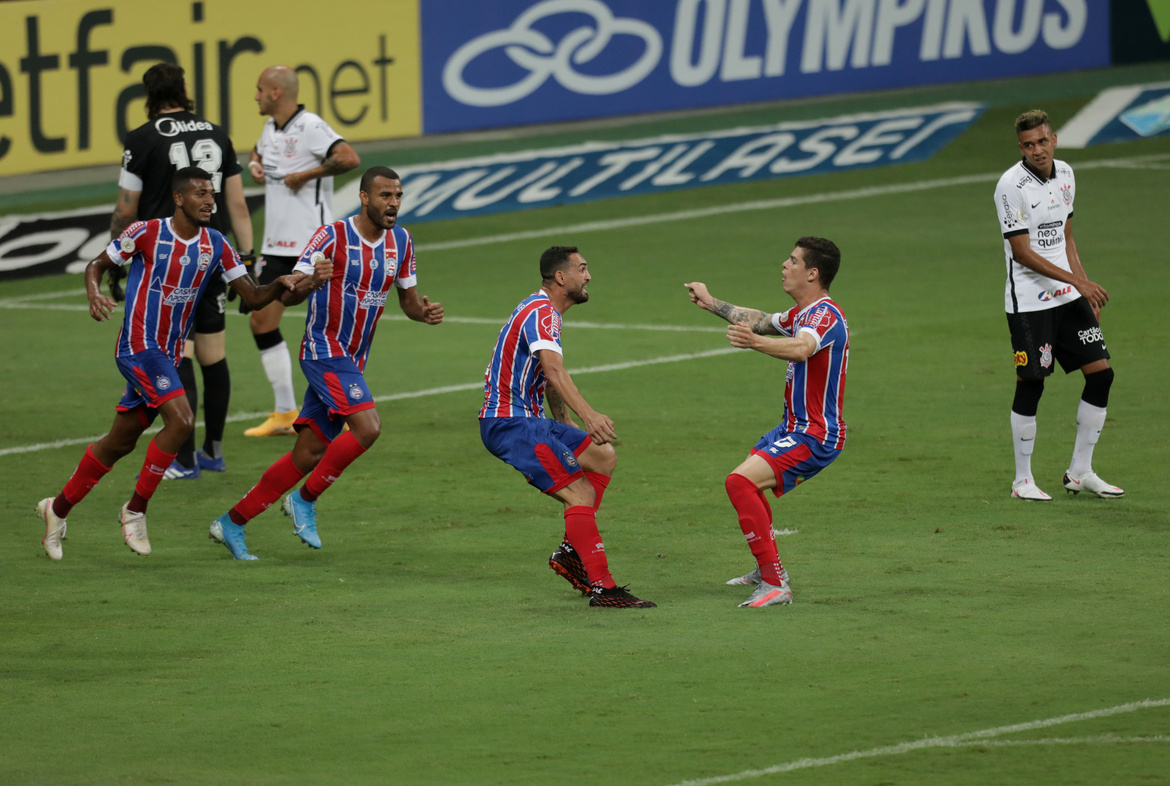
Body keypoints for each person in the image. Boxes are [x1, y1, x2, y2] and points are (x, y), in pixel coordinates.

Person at [35, 168, 331, 561]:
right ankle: (135, 510)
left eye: (212, 193)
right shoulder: (146, 232)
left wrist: (288, 283)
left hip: (169, 355)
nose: (210, 201)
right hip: (138, 347)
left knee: (119, 443)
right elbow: (96, 266)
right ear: (179, 198)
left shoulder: (217, 244)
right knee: (182, 420)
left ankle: (57, 510)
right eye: (200, 194)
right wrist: (94, 294)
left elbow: (255, 297)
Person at [208, 166, 442, 560]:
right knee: (367, 427)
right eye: (385, 196)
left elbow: (408, 302)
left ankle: (231, 523)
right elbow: (290, 294)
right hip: (323, 350)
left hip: (352, 359)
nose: (394, 203)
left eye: (398, 196)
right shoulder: (331, 236)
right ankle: (304, 499)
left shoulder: (401, 242)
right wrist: (314, 281)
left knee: (308, 454)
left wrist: (425, 313)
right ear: (365, 197)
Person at [479, 246, 656, 608]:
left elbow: (545, 372)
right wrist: (588, 415)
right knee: (580, 495)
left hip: (531, 419)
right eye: (582, 269)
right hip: (510, 422)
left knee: (602, 456)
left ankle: (571, 551)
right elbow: (555, 370)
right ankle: (603, 588)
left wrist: (563, 423)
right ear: (562, 277)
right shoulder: (542, 313)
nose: (588, 276)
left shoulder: (542, 311)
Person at [685, 237, 848, 608]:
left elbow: (803, 348)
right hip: (793, 427)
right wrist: (711, 302)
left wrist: (753, 344)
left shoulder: (825, 315)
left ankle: (776, 584)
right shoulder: (801, 314)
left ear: (812, 273)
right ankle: (768, 569)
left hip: (816, 434)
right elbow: (758, 320)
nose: (784, 266)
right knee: (748, 483)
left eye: (792, 261)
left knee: (739, 482)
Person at [110, 63, 254, 479]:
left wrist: (117, 264)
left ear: (148, 96)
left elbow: (125, 209)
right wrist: (245, 259)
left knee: (180, 353)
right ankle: (214, 451)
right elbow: (238, 204)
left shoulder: (140, 138)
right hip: (213, 253)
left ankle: (184, 458)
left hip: (167, 261)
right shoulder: (216, 132)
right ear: (184, 90)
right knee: (215, 354)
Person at [994, 109, 1122, 501]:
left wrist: (1080, 287)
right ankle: (1022, 481)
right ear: (1021, 148)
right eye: (1029, 144)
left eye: (1042, 141)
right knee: (1032, 381)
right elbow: (1021, 253)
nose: (1037, 149)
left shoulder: (1066, 174)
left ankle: (1080, 472)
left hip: (1067, 295)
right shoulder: (1010, 186)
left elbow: (1067, 236)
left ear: (1054, 139)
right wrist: (1078, 281)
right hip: (1030, 300)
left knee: (1101, 374)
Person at [242, 64, 361, 438]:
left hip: (313, 243)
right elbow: (258, 151)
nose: (256, 95)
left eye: (260, 89)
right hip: (276, 244)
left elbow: (349, 158)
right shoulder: (270, 128)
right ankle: (284, 413)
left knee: (327, 329)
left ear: (276, 93)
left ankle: (343, 408)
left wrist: (304, 176)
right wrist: (255, 163)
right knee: (261, 318)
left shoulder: (309, 125)